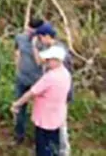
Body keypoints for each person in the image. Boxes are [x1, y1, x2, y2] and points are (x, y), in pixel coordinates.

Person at [11, 45, 72, 156]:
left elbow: (32, 92)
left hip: (45, 119)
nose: (46, 62)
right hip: (57, 118)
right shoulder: (66, 74)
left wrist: (17, 104)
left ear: (57, 60)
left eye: (49, 60)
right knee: (54, 146)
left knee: (43, 148)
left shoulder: (50, 77)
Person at [35, 23, 74, 156]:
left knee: (60, 126)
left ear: (46, 36)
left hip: (60, 96)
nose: (40, 41)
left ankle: (63, 151)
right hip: (52, 95)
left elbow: (65, 77)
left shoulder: (60, 53)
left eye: (40, 38)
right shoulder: (52, 49)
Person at [15, 17, 46, 144]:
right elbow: (17, 52)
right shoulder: (20, 38)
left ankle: (38, 136)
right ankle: (19, 135)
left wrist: (34, 46)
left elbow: (40, 62)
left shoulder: (43, 42)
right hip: (22, 77)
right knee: (19, 106)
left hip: (37, 80)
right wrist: (17, 69)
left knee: (40, 109)